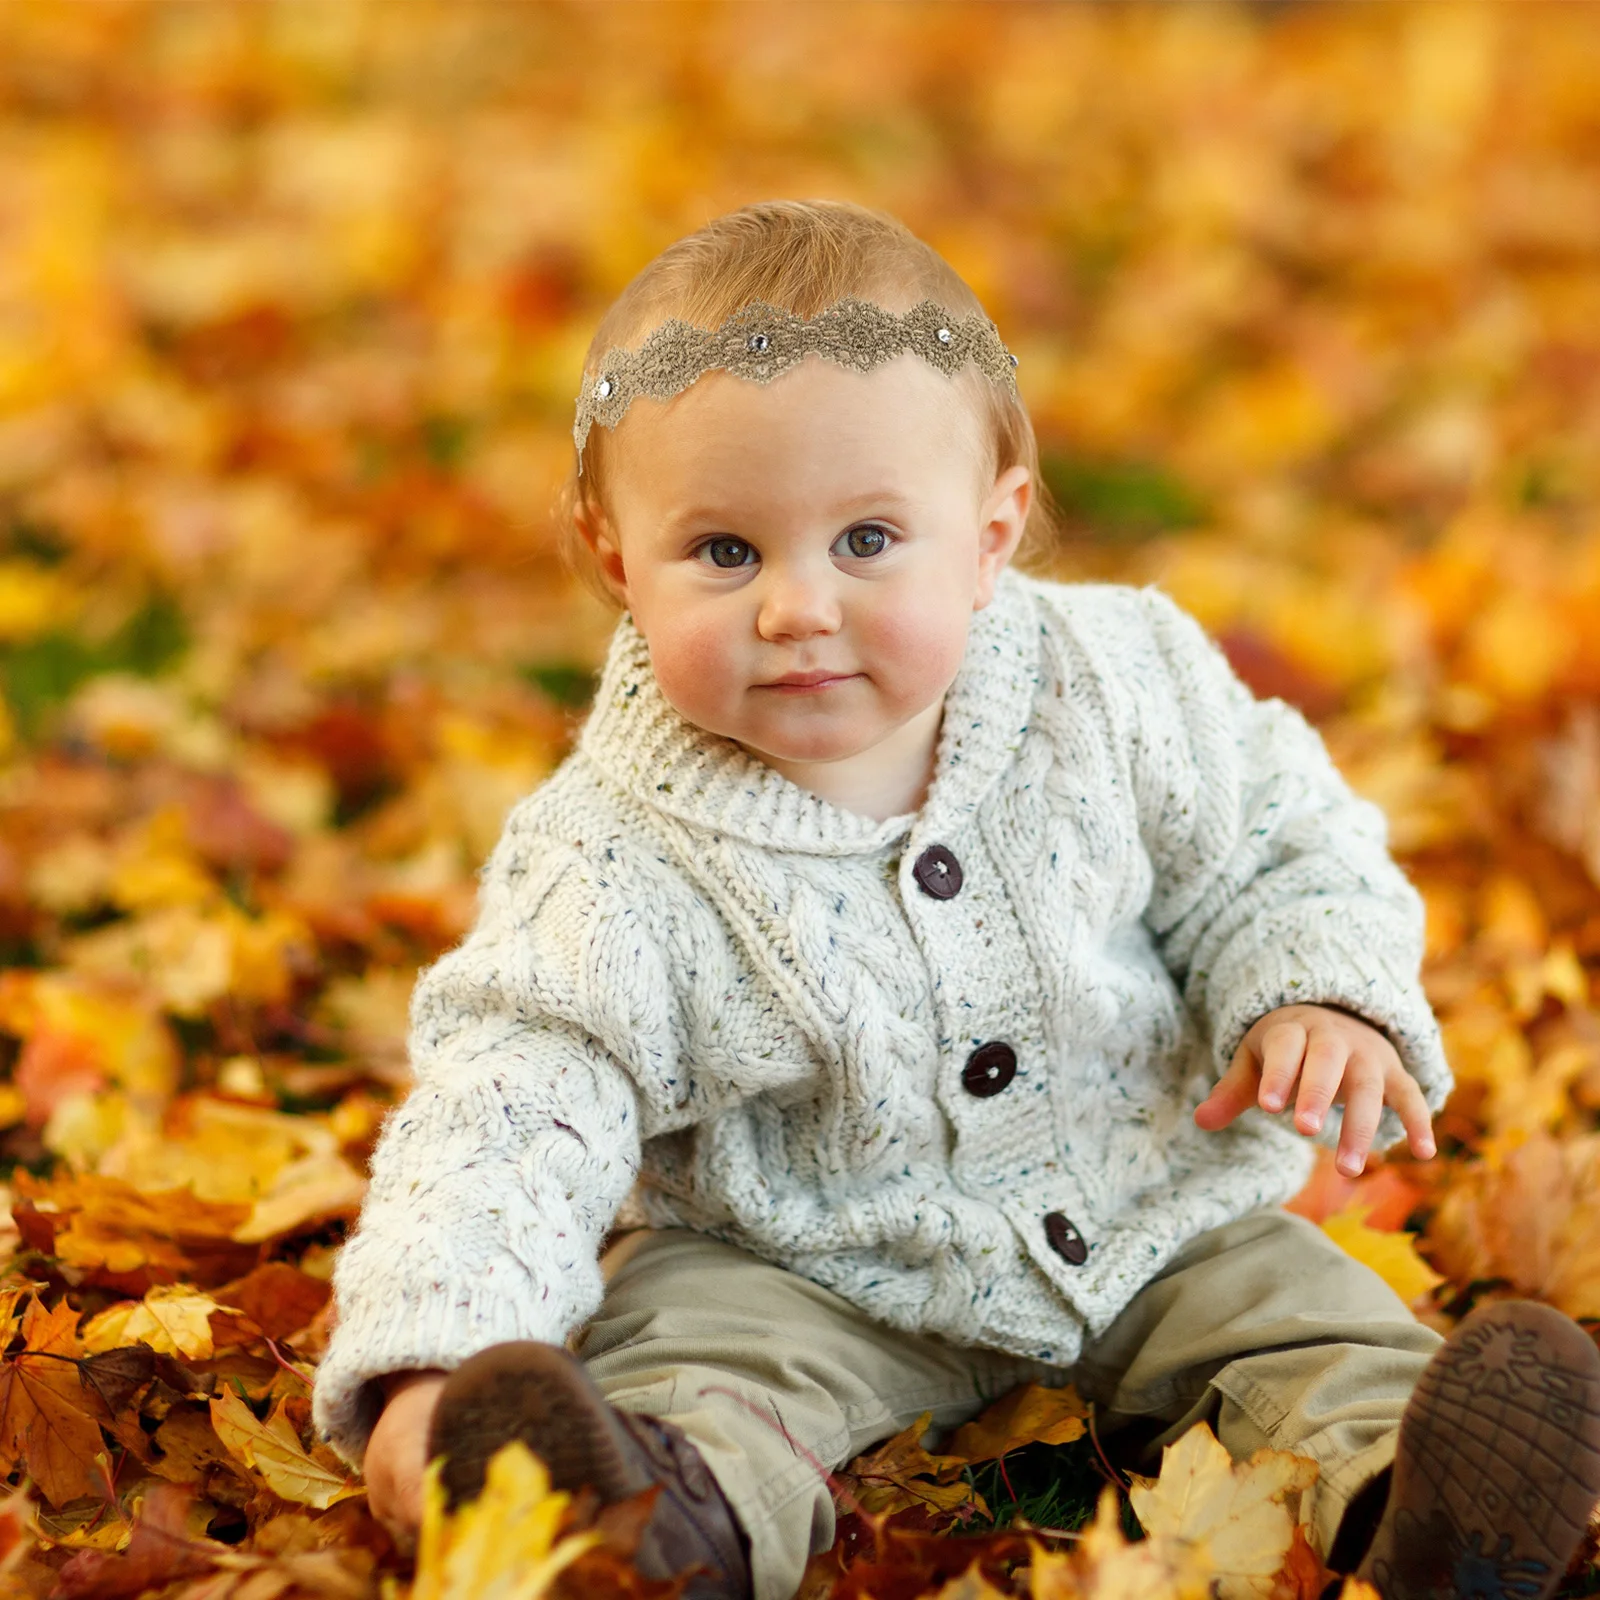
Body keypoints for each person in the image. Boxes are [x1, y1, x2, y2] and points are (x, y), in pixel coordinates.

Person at [310, 199, 1600, 1600]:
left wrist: (1314, 987)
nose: (797, 608)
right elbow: (514, 1099)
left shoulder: (1118, 683)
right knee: (697, 1366)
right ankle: (642, 1526)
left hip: (1154, 1212)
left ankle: (1423, 1506)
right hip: (800, 1263)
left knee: (1308, 1329)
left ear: (991, 536)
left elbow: (1276, 841)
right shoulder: (610, 853)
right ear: (617, 557)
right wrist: (432, 1354)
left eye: (868, 541)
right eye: (725, 552)